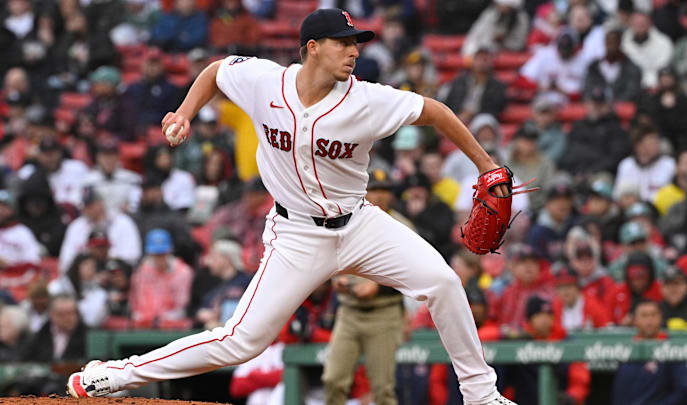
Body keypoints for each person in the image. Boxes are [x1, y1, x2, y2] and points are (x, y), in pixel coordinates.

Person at [68, 8, 516, 405]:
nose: (354, 51)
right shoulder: (265, 82)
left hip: (360, 224)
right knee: (241, 341)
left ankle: (482, 396)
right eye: (344, 43)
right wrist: (185, 112)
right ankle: (117, 375)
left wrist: (487, 167)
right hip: (297, 234)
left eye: (356, 43)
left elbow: (435, 111)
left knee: (442, 282)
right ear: (312, 48)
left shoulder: (367, 100)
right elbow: (217, 70)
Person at [322, 170, 407, 405]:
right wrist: (334, 277)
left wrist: (380, 288)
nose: (381, 196)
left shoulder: (402, 226)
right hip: (349, 312)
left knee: (383, 389)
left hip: (384, 313)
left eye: (386, 190)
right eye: (376, 189)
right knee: (333, 380)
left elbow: (416, 275)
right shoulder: (347, 219)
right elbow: (330, 253)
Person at [612, 299, 687, 405]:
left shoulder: (671, 348)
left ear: (660, 317)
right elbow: (620, 391)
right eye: (644, 315)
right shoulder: (626, 348)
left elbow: (684, 391)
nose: (649, 320)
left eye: (653, 315)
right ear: (635, 320)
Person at [58, 187, 142, 273]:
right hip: (84, 278)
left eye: (90, 205)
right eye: (84, 206)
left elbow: (132, 256)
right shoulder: (76, 226)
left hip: (115, 274)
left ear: (100, 203)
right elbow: (65, 261)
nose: (87, 210)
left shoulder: (123, 222)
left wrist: (103, 257)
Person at [129, 229, 193, 327]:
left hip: (173, 325)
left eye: (162, 254)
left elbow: (182, 308)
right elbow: (136, 304)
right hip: (144, 325)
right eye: (156, 255)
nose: (159, 258)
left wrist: (162, 318)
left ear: (169, 251)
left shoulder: (183, 272)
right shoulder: (142, 272)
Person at [437, 47, 508, 122]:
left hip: (481, 119)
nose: (481, 63)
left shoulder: (497, 86)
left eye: (485, 59)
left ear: (491, 63)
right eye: (478, 59)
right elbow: (450, 101)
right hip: (458, 116)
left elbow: (496, 109)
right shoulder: (459, 81)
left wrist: (472, 114)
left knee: (485, 120)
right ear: (473, 61)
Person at [614, 124, 676, 202]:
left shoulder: (669, 164)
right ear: (638, 145)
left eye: (656, 142)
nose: (656, 145)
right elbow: (618, 196)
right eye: (650, 142)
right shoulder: (626, 165)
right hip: (631, 210)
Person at [82, 138, 142, 213]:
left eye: (112, 155)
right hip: (97, 221)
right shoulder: (88, 181)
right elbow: (81, 204)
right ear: (98, 158)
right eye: (105, 155)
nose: (109, 159)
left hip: (124, 219)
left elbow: (136, 204)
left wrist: (130, 207)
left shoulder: (132, 178)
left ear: (118, 157)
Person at [21, 294, 87, 362]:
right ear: (52, 314)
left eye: (71, 313)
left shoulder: (88, 335)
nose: (67, 318)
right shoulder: (40, 336)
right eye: (62, 314)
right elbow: (25, 360)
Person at [583, 28, 643, 102]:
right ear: (604, 43)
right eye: (608, 42)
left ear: (620, 43)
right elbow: (588, 90)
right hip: (598, 108)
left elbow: (632, 92)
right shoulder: (594, 66)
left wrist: (613, 105)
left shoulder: (631, 68)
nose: (611, 46)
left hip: (621, 108)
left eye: (614, 42)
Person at [621, 11, 673, 88]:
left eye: (642, 23)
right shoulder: (622, 43)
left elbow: (663, 66)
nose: (639, 26)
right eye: (636, 23)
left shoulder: (663, 42)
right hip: (630, 84)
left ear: (650, 23)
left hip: (657, 84)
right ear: (630, 24)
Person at [551, 267, 612, 331]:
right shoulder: (554, 308)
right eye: (561, 288)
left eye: (569, 286)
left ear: (577, 287)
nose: (565, 292)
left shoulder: (593, 306)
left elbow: (606, 331)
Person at [461, 0, 530, 55]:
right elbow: (474, 35)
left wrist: (502, 41)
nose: (501, 7)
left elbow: (518, 45)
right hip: (481, 51)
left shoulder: (521, 18)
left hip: (507, 56)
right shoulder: (490, 14)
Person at [0, 189, 42, 266]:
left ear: (12, 210)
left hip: (15, 274)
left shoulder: (22, 232)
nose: (0, 211)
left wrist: (7, 265)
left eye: (4, 207)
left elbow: (33, 261)